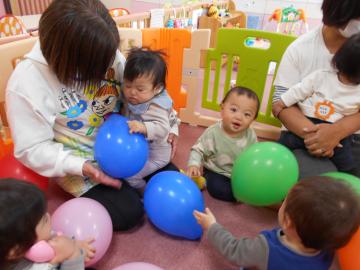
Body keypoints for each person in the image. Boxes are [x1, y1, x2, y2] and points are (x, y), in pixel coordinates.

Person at [5, 0, 149, 231]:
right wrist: (81, 166)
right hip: (80, 160)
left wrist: (161, 123)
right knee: (129, 212)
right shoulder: (27, 82)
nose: (106, 67)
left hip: (124, 145)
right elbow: (31, 148)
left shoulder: (107, 53)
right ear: (67, 60)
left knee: (163, 174)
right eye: (95, 67)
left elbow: (139, 90)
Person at [272, 0, 360, 178]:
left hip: (352, 138)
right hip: (305, 134)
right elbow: (281, 104)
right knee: (321, 187)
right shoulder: (300, 50)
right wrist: (318, 137)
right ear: (337, 12)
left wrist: (337, 131)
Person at [194, 176, 360, 270]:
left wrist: (212, 226)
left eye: (284, 201)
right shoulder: (331, 256)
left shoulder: (265, 248)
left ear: (287, 221)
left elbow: (234, 250)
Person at [0, 178, 95, 270]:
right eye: (45, 220)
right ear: (17, 250)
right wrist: (73, 255)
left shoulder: (18, 238)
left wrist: (74, 243)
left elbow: (53, 236)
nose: (49, 215)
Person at [186, 87, 259, 202]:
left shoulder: (250, 135)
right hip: (216, 170)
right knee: (216, 187)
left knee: (256, 182)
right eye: (234, 110)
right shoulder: (213, 132)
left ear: (253, 119)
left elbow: (255, 154)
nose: (239, 117)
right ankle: (204, 181)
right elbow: (198, 149)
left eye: (247, 114)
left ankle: (244, 191)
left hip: (239, 173)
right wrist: (194, 164)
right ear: (222, 108)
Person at [122, 48, 178, 189]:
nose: (132, 92)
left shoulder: (155, 106)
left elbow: (163, 128)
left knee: (131, 176)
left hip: (156, 156)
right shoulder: (138, 97)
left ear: (157, 88)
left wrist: (143, 127)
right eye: (128, 85)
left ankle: (144, 192)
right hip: (141, 149)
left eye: (140, 89)